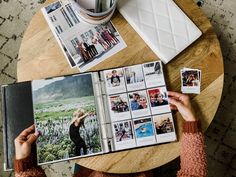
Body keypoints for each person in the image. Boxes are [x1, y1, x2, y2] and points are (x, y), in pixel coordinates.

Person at [14, 91, 207, 177]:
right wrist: (190, 123)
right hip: (142, 166)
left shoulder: (76, 122)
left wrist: (24, 164)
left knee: (82, 148)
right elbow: (194, 173)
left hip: (90, 170)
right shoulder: (76, 122)